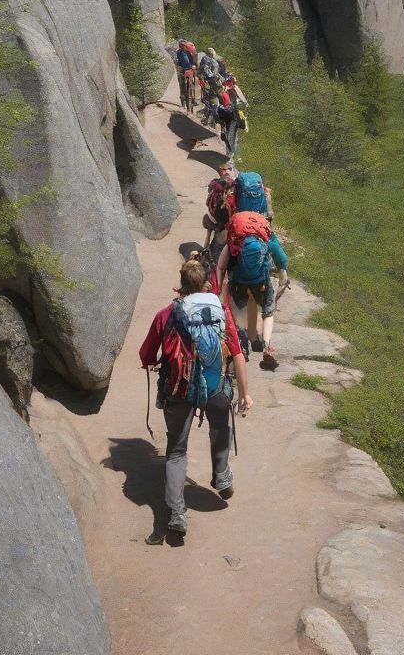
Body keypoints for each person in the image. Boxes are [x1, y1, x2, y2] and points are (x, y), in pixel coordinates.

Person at [139, 259, 253, 540]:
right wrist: (245, 393)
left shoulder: (167, 314)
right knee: (219, 426)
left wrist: (159, 363)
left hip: (179, 389)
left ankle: (176, 514)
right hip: (215, 386)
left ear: (180, 286)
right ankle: (222, 474)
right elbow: (237, 354)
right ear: (205, 284)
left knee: (177, 451)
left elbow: (145, 355)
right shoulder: (219, 311)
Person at [217, 212, 289, 372]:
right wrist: (283, 278)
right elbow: (282, 260)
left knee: (236, 314)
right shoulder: (267, 237)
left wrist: (221, 288)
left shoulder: (235, 239)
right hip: (260, 285)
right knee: (268, 312)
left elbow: (221, 266)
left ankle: (240, 349)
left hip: (239, 284)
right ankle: (267, 347)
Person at [204, 164, 236, 251]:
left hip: (213, 216)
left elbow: (208, 202)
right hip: (223, 220)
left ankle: (206, 247)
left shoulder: (214, 183)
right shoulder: (234, 185)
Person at [174, 39, 197, 107]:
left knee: (184, 84)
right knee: (190, 84)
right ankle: (191, 99)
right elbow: (187, 62)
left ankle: (185, 98)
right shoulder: (184, 52)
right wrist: (192, 66)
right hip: (187, 69)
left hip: (183, 69)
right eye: (183, 45)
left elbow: (189, 60)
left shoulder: (181, 52)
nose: (184, 46)